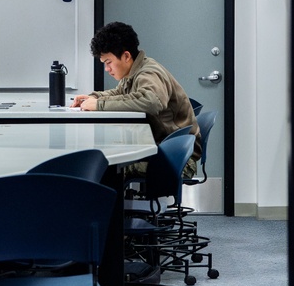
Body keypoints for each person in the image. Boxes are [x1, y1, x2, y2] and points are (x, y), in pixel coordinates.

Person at [71, 21, 201, 178]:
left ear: (126, 56)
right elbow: (120, 93)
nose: (107, 69)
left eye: (108, 62)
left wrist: (98, 105)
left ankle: (110, 203)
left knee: (105, 167)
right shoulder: (134, 72)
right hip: (165, 151)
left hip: (177, 159)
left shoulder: (148, 73)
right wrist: (95, 97)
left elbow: (151, 102)